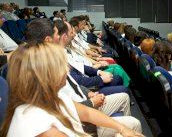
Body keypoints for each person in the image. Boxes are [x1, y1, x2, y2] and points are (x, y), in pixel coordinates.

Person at [0, 43, 143, 137]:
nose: (67, 69)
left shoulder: (47, 97)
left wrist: (122, 129)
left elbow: (87, 113)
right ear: (47, 75)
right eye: (62, 65)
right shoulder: (46, 130)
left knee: (129, 126)